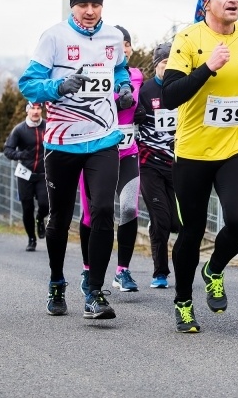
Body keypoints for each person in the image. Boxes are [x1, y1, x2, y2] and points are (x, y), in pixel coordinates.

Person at [162, 0, 238, 333]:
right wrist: (208, 67)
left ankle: (214, 269)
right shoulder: (189, 38)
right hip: (193, 150)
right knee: (191, 232)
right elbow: (172, 94)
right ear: (206, 3)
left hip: (234, 147)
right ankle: (183, 302)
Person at [19, 0, 131, 319]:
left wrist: (124, 89)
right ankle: (56, 281)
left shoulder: (113, 37)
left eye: (95, 3)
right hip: (63, 143)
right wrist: (59, 87)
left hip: (103, 139)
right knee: (60, 217)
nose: (90, 10)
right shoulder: (53, 37)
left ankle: (94, 291)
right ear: (72, 5)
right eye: (83, 3)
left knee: (102, 212)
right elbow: (28, 84)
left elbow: (121, 71)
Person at [78, 25, 144, 295]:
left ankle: (122, 271)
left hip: (127, 151)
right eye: (116, 44)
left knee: (128, 209)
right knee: (93, 215)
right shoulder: (93, 73)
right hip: (95, 153)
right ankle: (88, 269)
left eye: (125, 44)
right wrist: (117, 101)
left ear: (129, 48)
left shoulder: (138, 76)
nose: (122, 48)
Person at [136, 41, 179, 289]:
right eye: (164, 63)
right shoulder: (145, 90)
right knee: (161, 220)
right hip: (149, 162)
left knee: (177, 223)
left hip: (177, 163)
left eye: (172, 62)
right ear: (156, 65)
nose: (168, 66)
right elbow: (130, 118)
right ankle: (160, 272)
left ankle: (158, 223)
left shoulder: (183, 89)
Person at [3, 101, 48, 251]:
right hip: (25, 174)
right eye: (32, 109)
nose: (35, 112)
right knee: (27, 208)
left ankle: (40, 219)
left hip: (43, 174)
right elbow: (8, 150)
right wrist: (20, 155)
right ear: (27, 111)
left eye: (38, 108)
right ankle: (31, 239)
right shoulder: (19, 130)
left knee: (45, 204)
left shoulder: (48, 126)